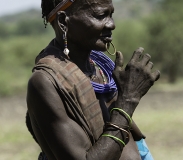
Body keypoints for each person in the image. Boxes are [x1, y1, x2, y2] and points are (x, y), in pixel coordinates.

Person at [25, 0, 160, 159]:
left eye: (111, 15)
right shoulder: (46, 82)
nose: (111, 24)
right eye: (101, 15)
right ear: (63, 21)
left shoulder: (101, 70)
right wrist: (128, 99)